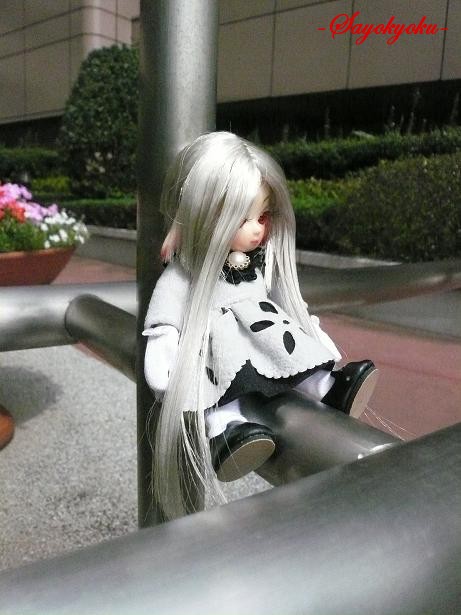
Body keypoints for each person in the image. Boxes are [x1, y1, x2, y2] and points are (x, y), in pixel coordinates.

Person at [143, 131, 378, 519]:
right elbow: (166, 313)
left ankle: (327, 387)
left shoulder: (254, 265)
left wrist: (310, 331)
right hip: (218, 344)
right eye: (243, 219)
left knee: (288, 352)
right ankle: (226, 431)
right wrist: (164, 344)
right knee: (217, 383)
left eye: (263, 217)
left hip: (264, 330)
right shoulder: (186, 273)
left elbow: (284, 304)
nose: (257, 230)